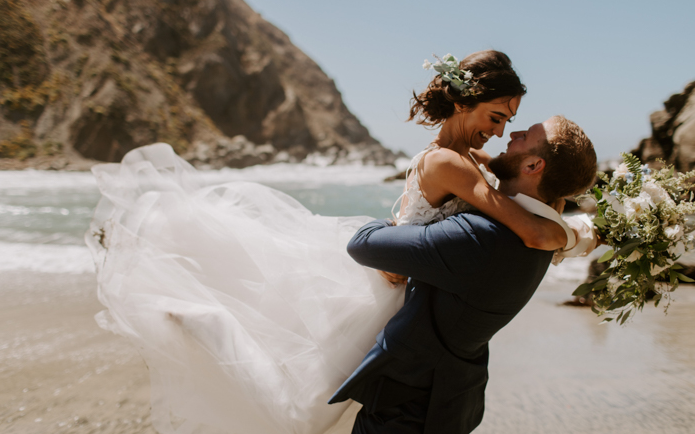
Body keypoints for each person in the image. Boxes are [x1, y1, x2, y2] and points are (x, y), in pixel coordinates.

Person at [85, 51, 593, 434]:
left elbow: (497, 213)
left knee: (311, 400)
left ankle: (212, 323)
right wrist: (553, 231)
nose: (500, 133)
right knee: (305, 408)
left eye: (508, 124)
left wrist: (564, 229)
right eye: (497, 118)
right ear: (463, 102)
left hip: (403, 289)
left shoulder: (467, 161)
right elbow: (510, 218)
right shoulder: (451, 163)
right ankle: (210, 321)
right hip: (389, 283)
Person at [328, 115, 598, 434]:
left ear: (534, 166)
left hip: (410, 409)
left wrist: (403, 223)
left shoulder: (483, 236)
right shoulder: (548, 233)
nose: (512, 133)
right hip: (450, 399)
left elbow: (363, 244)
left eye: (525, 135)